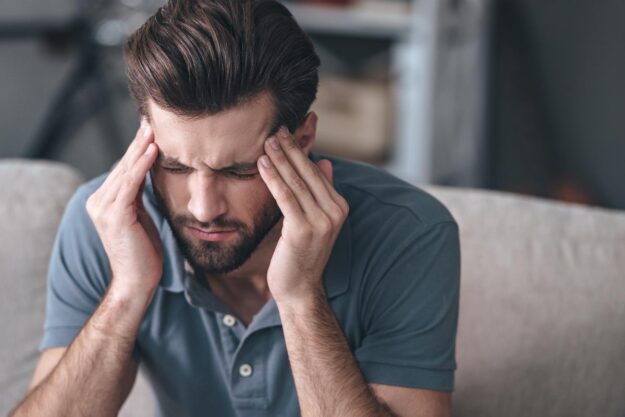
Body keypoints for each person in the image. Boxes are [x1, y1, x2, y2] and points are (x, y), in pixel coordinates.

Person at [10, 1, 460, 416]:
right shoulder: (107, 223)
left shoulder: (410, 233)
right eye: (174, 165)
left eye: (239, 171)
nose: (203, 208)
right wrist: (127, 291)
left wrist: (301, 298)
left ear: (302, 141)